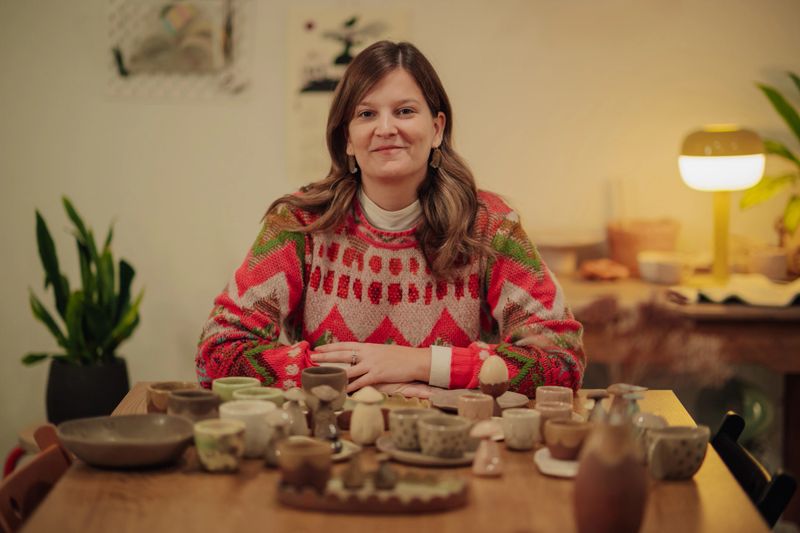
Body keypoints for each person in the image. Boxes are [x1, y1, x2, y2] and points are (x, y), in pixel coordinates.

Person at [196, 40, 585, 398]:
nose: (386, 129)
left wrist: (420, 363)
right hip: (328, 443)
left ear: (436, 129)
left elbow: (562, 360)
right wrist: (352, 369)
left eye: (404, 111)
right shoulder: (300, 223)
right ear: (347, 138)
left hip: (454, 445)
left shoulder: (490, 226)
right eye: (366, 114)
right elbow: (217, 353)